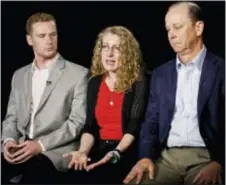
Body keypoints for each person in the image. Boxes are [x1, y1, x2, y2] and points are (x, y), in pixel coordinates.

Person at [124, 2, 225, 185]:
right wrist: (145, 157)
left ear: (198, 27)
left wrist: (221, 163)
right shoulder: (160, 74)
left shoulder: (221, 70)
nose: (171, 34)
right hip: (166, 158)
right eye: (168, 29)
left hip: (207, 157)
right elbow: (151, 120)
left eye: (177, 27)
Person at [1, 12, 88, 184]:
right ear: (29, 40)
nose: (49, 40)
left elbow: (76, 123)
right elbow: (11, 117)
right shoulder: (19, 75)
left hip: (55, 151)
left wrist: (39, 145)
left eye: (53, 34)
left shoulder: (79, 74)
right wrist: (8, 141)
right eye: (42, 36)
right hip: (20, 146)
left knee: (33, 172)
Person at [63, 26, 148, 184]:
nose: (109, 53)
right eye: (105, 47)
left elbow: (133, 128)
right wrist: (82, 151)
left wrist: (116, 152)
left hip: (124, 151)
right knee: (74, 175)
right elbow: (90, 126)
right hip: (98, 148)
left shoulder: (138, 83)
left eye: (117, 48)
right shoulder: (94, 82)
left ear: (128, 54)